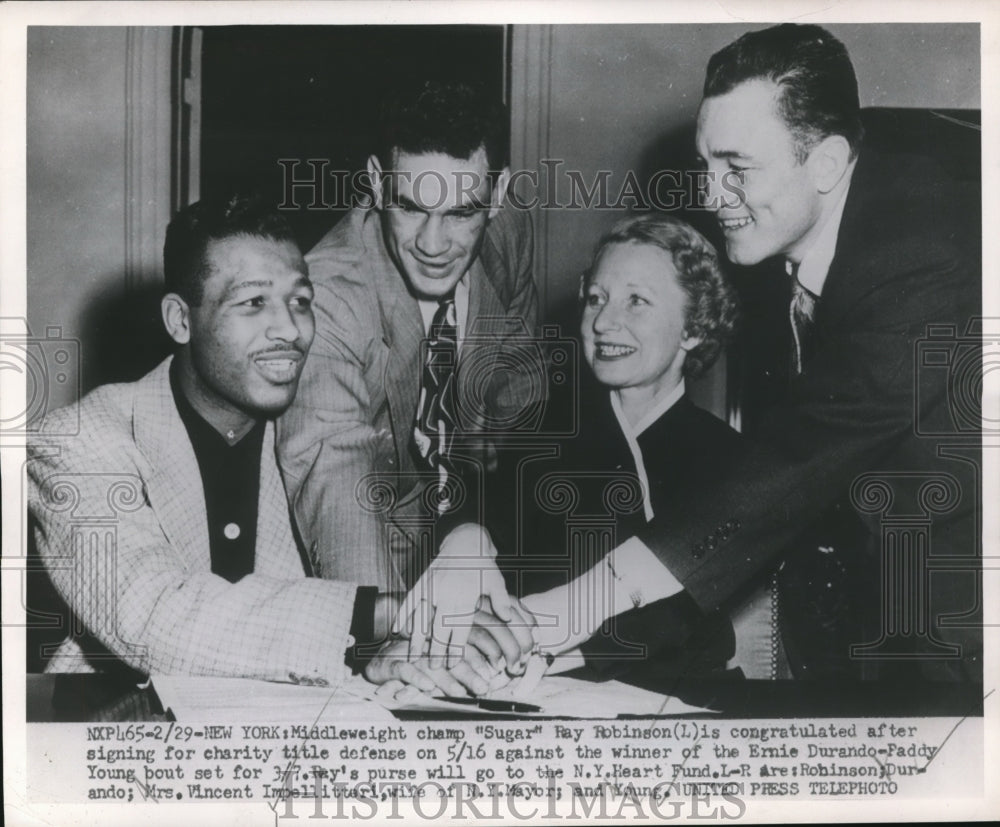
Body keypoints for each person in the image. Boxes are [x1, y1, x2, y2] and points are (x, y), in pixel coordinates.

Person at [427, 24, 982, 684]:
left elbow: (795, 461)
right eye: (707, 166)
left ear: (827, 162)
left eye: (737, 169)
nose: (711, 197)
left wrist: (575, 607)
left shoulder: (921, 250)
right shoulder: (828, 216)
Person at [27, 195, 401, 683]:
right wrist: (377, 614)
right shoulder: (76, 442)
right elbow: (151, 617)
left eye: (300, 302)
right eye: (253, 303)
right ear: (181, 320)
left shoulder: (325, 438)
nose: (290, 329)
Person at [277, 81, 540, 611]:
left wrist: (489, 434)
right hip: (370, 556)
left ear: (499, 191)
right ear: (376, 182)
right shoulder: (326, 296)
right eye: (412, 207)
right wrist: (386, 631)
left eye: (463, 213)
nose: (433, 244)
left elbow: (519, 364)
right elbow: (334, 472)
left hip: (477, 534)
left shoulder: (508, 231)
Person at [498, 214, 745, 682]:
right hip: (530, 688)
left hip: (678, 699)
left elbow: (690, 612)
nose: (604, 321)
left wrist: (565, 653)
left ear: (693, 327)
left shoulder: (728, 458)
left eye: (636, 301)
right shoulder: (540, 438)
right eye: (596, 298)